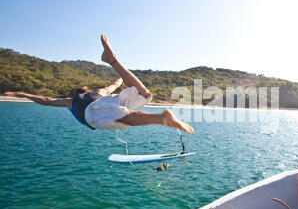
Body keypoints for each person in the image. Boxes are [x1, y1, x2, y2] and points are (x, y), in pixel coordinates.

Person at [5, 35, 194, 134]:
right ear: (87, 89)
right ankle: (112, 60)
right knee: (143, 96)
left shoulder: (70, 101)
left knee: (121, 118)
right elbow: (115, 84)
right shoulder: (99, 91)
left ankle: (161, 118)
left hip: (92, 114)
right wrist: (119, 74)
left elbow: (46, 100)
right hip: (110, 101)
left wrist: (21, 94)